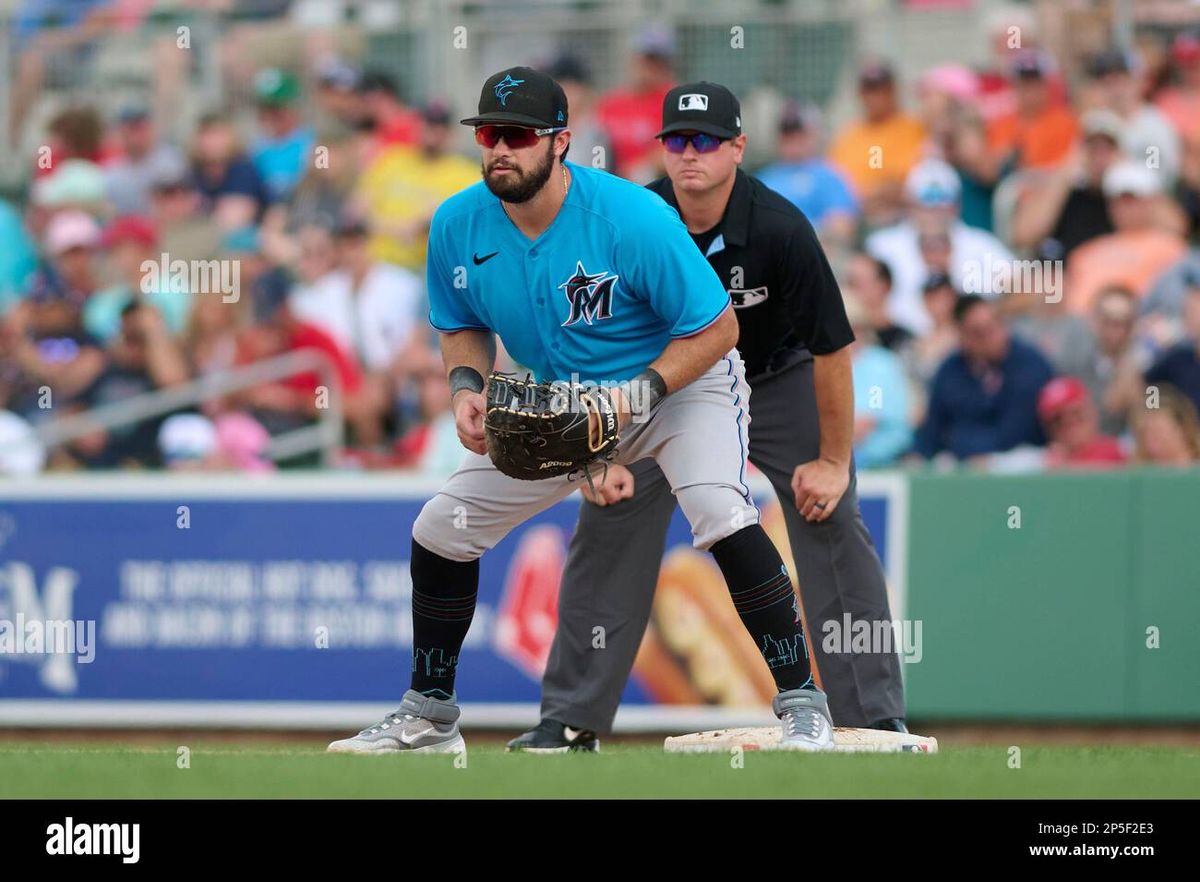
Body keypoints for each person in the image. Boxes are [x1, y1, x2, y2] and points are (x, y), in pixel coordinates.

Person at [329, 67, 840, 755]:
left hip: (681, 386)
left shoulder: (630, 218)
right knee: (441, 528)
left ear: (562, 142)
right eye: (488, 134)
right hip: (564, 404)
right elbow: (459, 322)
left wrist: (641, 394)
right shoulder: (456, 222)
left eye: (517, 135)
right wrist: (464, 386)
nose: (499, 149)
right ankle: (430, 715)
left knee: (719, 512)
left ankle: (804, 705)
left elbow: (719, 329)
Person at [502, 80, 905, 753]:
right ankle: (570, 719)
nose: (691, 154)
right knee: (608, 518)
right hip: (671, 385)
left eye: (707, 141)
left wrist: (833, 461)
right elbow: (582, 336)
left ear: (738, 147)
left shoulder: (780, 227)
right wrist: (592, 456)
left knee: (828, 512)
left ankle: (871, 715)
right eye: (678, 141)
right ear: (661, 149)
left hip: (777, 375)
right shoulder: (631, 218)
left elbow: (834, 348)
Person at [913, 295, 1054, 462]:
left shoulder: (1030, 365)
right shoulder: (950, 369)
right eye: (979, 333)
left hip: (1023, 462)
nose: (992, 337)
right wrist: (918, 454)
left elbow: (1014, 434)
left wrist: (958, 441)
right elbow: (933, 427)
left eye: (995, 325)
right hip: (963, 461)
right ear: (962, 337)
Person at [1064, 159, 1188, 314]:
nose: (1124, 208)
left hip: (1139, 325)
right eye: (1118, 200)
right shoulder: (1084, 253)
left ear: (1150, 202)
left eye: (1131, 200)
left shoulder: (1170, 248)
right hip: (1084, 329)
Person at [828, 61, 926, 228]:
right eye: (870, 90)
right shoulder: (848, 135)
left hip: (901, 215)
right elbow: (835, 183)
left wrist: (877, 193)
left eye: (882, 90)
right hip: (856, 216)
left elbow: (909, 182)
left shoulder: (913, 128)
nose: (875, 97)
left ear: (893, 91)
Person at [754, 100, 859, 248]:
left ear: (813, 134)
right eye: (787, 133)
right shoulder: (763, 179)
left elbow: (842, 228)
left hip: (815, 253)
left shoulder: (829, 176)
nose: (793, 140)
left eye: (798, 133)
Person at [1035, 376, 1127, 469]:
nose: (1069, 422)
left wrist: (1066, 467)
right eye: (1058, 419)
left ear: (1091, 411)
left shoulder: (1121, 450)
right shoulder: (1041, 461)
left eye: (1076, 414)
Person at [1144, 283, 1200, 415]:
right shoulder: (1176, 359)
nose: (1190, 317)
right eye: (1187, 311)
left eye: (1195, 311)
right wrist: (1155, 413)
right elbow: (1152, 386)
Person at [1130, 384, 1200, 464]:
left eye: (1159, 430)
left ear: (1183, 428)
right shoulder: (1140, 471)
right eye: (1145, 433)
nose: (1152, 439)